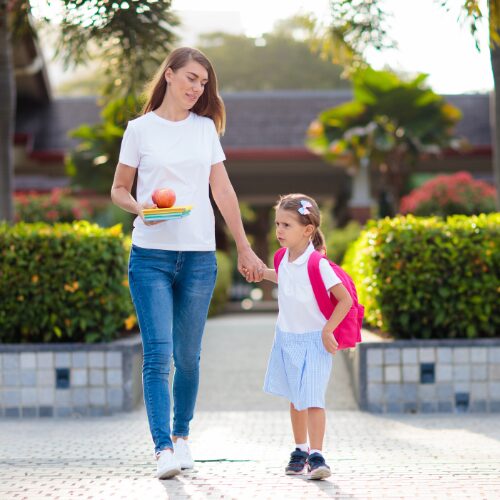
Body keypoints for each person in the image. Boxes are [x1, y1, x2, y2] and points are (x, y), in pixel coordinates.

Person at [111, 47, 264, 480]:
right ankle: (162, 449)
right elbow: (119, 188)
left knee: (189, 358)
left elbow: (224, 191)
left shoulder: (204, 131)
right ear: (170, 75)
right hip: (150, 258)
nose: (197, 88)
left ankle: (181, 437)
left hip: (198, 258)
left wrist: (245, 248)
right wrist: (140, 207)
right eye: (191, 78)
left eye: (204, 83)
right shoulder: (139, 130)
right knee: (158, 357)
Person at [254, 193, 353, 480]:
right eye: (277, 224)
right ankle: (300, 449)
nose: (279, 231)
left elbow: (344, 300)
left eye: (286, 225)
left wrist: (327, 330)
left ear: (307, 230)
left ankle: (317, 455)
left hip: (314, 342)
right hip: (286, 339)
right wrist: (263, 273)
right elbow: (285, 278)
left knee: (312, 399)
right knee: (295, 399)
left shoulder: (318, 264)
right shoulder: (282, 259)